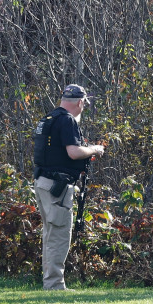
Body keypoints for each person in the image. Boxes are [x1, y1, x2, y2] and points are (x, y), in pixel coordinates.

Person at [32, 84, 105, 290]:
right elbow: (73, 152)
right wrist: (94, 149)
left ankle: (50, 282)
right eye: (84, 104)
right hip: (57, 186)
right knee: (59, 234)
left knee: (50, 234)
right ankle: (54, 285)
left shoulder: (49, 119)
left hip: (44, 182)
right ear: (80, 102)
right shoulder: (67, 121)